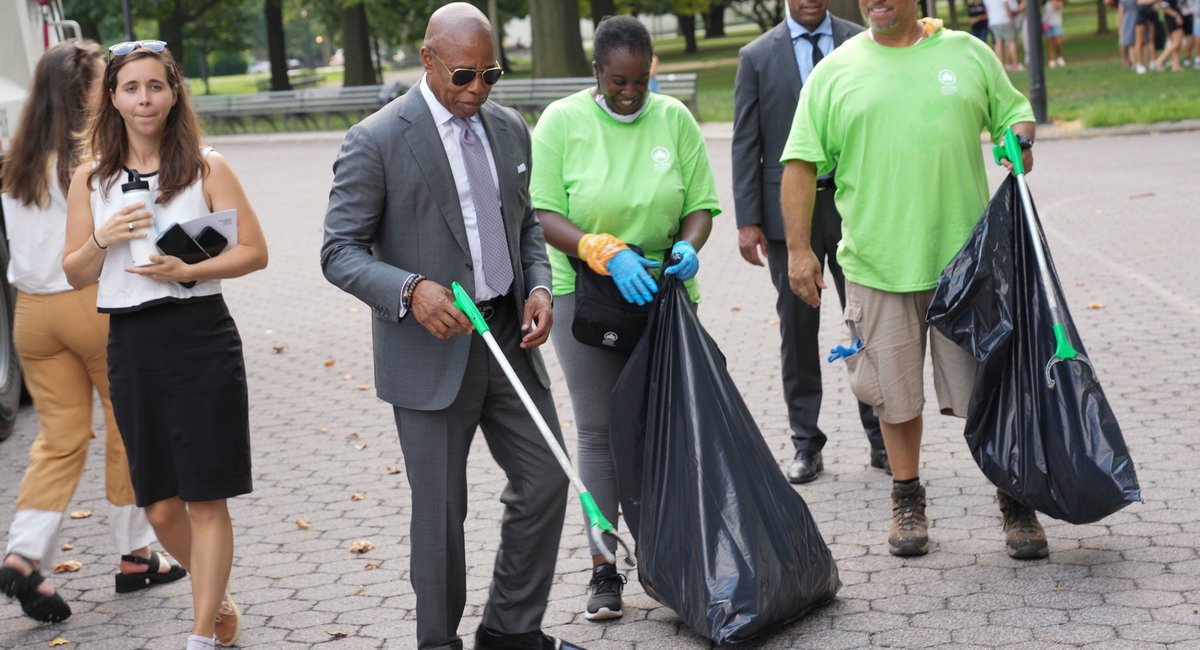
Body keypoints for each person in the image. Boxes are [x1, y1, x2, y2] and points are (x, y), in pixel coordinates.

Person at [320, 5, 581, 649]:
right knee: (441, 514)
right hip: (430, 352)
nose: (476, 89)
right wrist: (409, 290)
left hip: (508, 339)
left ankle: (511, 632)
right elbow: (339, 252)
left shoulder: (509, 127)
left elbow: (524, 222)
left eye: (490, 75)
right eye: (464, 74)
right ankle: (438, 643)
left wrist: (539, 285)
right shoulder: (377, 138)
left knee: (547, 477)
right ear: (428, 59)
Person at [778, 0, 1049, 561]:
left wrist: (1019, 141)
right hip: (877, 265)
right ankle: (906, 498)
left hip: (966, 267)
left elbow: (1014, 114)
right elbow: (800, 163)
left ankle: (1016, 499)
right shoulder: (835, 71)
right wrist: (800, 251)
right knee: (893, 398)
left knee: (992, 393)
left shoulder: (968, 53)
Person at [63, 40, 267, 650]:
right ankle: (217, 596)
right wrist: (102, 238)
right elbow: (74, 274)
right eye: (131, 88)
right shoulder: (91, 178)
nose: (144, 99)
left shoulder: (206, 167)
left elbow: (254, 252)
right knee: (158, 507)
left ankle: (201, 635)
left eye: (156, 86)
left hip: (201, 338)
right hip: (132, 343)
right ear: (112, 98)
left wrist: (189, 270)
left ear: (174, 93)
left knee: (206, 498)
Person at [530, 15, 720, 622]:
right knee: (598, 433)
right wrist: (596, 248)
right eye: (618, 82)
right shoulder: (562, 122)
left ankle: (678, 561)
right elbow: (543, 213)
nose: (631, 93)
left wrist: (689, 244)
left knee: (667, 428)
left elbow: (700, 205)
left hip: (661, 293)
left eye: (641, 81)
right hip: (585, 296)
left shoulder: (675, 119)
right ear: (596, 73)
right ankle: (604, 568)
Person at [0, 39, 185, 626]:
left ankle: (24, 554)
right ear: (88, 94)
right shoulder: (97, 161)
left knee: (58, 439)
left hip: (32, 316)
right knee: (128, 427)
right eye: (108, 82)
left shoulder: (14, 162)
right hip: (90, 305)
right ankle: (136, 553)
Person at [732, 0, 887, 485]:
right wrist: (748, 220)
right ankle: (806, 443)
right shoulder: (757, 56)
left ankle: (883, 438)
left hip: (853, 205)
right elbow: (746, 140)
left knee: (869, 320)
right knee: (797, 332)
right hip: (788, 215)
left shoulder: (861, 41)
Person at [984, 0, 1023, 69]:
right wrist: (1011, 18)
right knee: (1011, 42)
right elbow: (1006, 4)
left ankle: (1000, 66)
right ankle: (1015, 64)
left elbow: (987, 10)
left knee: (998, 43)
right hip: (1004, 20)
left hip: (993, 21)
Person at [1154, 0, 1186, 69]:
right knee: (1177, 43)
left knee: (1177, 44)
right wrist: (1177, 16)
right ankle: (1159, 61)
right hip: (1172, 19)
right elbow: (1164, 7)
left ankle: (1175, 65)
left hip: (1171, 18)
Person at [1134, 0, 1162, 72]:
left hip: (1152, 8)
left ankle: (1152, 62)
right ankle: (1139, 64)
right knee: (1140, 39)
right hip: (1141, 8)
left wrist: (1159, 3)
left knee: (1151, 39)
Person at [1043, 0, 1066, 66]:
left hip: (1056, 24)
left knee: (1058, 43)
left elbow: (1058, 6)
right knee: (1049, 43)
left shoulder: (1058, 1)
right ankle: (1051, 60)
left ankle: (1059, 58)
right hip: (1047, 24)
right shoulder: (1046, 3)